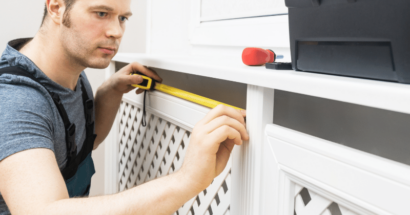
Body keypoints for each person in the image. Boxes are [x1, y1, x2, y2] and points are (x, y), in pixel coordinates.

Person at [0, 0, 248, 214]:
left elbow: (73, 148)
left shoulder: (70, 70)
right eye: (101, 13)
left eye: (122, 18)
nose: (116, 31)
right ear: (56, 7)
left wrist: (110, 92)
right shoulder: (16, 99)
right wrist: (187, 179)